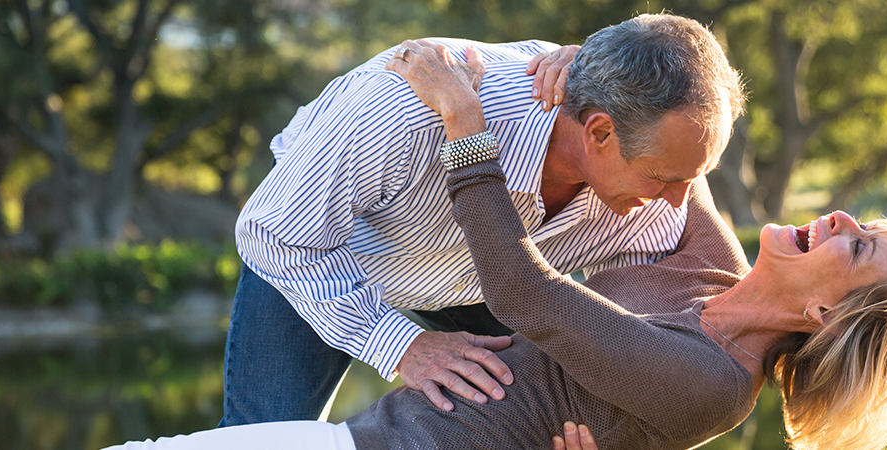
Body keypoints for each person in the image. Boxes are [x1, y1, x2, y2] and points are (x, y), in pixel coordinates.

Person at [105, 39, 887, 450]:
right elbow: (674, 110)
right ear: (596, 128)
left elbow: (533, 297)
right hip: (335, 263)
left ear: (820, 309)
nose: (844, 219)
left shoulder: (712, 383)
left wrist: (468, 128)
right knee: (255, 427)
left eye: (857, 250)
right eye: (864, 225)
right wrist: (578, 64)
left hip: (459, 323)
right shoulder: (714, 273)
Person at [223, 12, 746, 427]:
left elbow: (635, 343)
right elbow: (273, 234)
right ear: (600, 134)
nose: (680, 204)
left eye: (692, 178)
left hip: (482, 284)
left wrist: (597, 435)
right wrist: (402, 345)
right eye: (663, 177)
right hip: (324, 259)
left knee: (527, 422)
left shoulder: (648, 201)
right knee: (263, 440)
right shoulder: (403, 110)